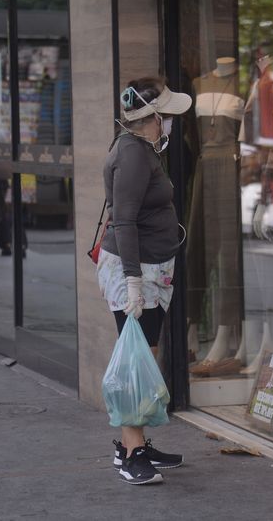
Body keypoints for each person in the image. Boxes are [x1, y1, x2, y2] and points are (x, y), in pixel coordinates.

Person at [97, 76, 191, 485]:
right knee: (136, 358)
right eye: (165, 114)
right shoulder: (133, 155)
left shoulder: (142, 150)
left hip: (152, 266)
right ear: (152, 117)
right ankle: (131, 450)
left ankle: (136, 442)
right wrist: (133, 282)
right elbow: (125, 220)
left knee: (145, 353)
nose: (170, 121)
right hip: (135, 269)